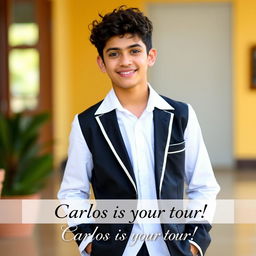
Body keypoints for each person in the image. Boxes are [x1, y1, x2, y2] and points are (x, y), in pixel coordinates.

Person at [58, 6, 220, 256]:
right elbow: (73, 191)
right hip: (114, 249)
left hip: (172, 248)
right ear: (101, 63)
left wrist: (195, 243)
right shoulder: (87, 124)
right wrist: (88, 241)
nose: (125, 61)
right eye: (114, 54)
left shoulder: (181, 115)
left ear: (150, 56)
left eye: (135, 51)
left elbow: (204, 185)